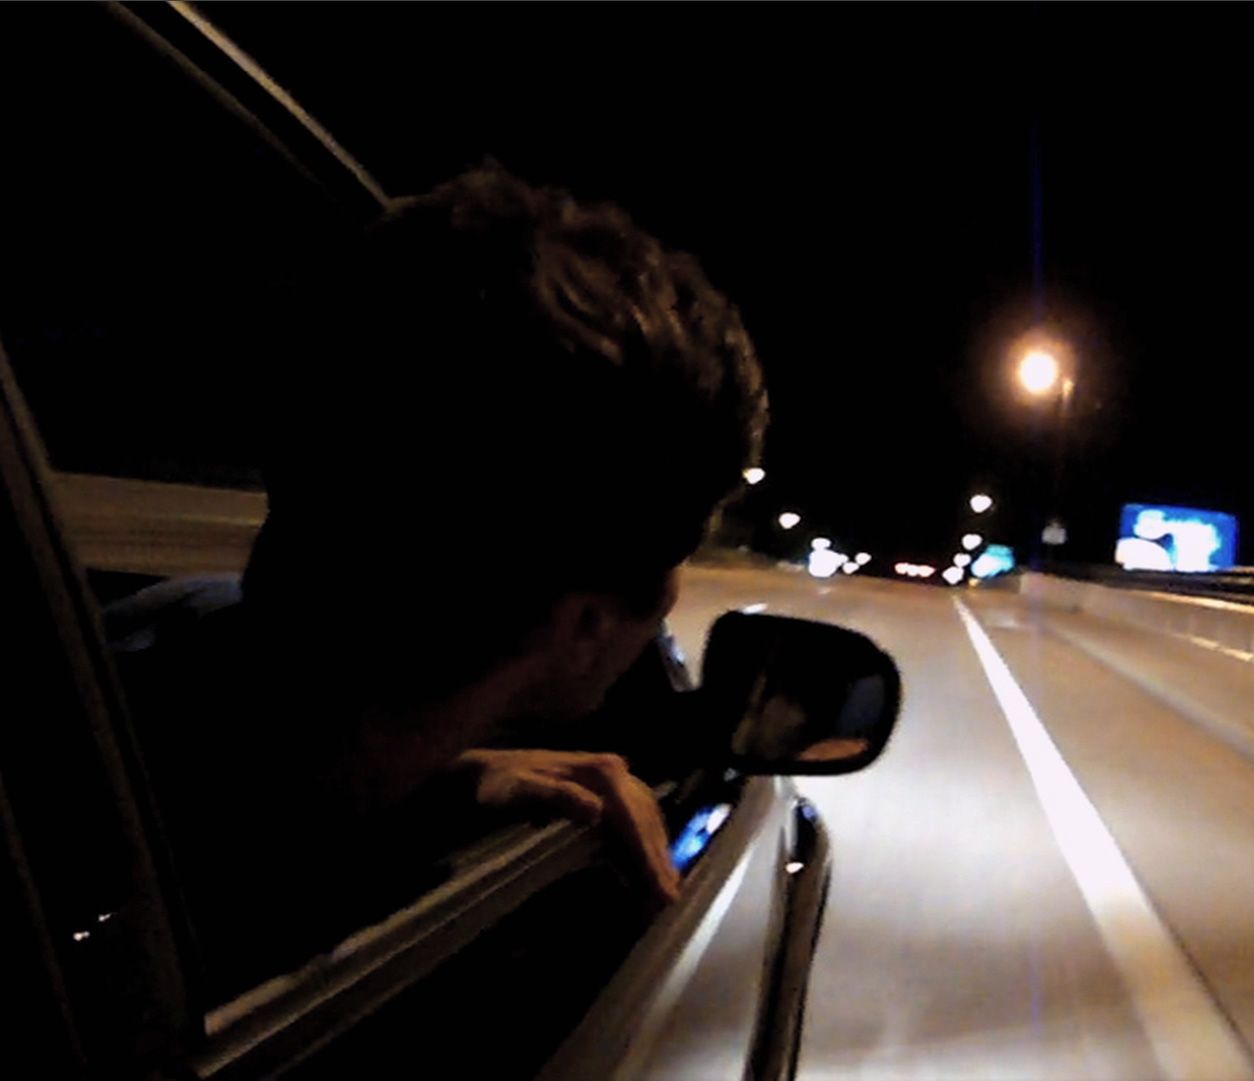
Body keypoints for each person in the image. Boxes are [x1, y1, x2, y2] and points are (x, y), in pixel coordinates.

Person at [112, 163, 768, 994]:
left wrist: (436, 786)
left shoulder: (140, 662)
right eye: (674, 561)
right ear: (584, 627)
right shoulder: (266, 929)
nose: (670, 597)